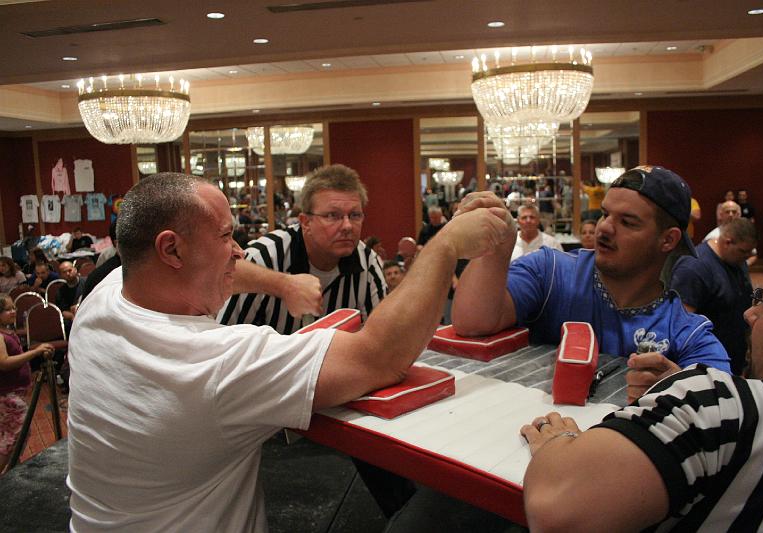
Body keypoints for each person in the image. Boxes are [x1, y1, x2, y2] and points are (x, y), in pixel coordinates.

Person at [66, 172, 513, 531]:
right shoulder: (218, 363)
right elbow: (378, 357)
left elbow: (208, 271)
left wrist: (281, 285)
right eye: (225, 236)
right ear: (171, 249)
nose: (237, 250)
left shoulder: (103, 299)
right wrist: (445, 246)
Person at [519, 252, 763, 531]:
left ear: (667, 241)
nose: (750, 313)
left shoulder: (715, 397)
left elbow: (557, 510)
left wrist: (561, 442)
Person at [453, 165, 731, 404]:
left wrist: (681, 388)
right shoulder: (551, 271)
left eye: (627, 222)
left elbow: (728, 405)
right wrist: (496, 247)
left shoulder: (686, 332)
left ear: (668, 240)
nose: (604, 228)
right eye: (605, 214)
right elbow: (472, 322)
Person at [218, 164, 387, 334]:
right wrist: (283, 285)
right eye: (332, 216)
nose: (347, 226)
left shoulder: (367, 262)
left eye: (355, 215)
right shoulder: (267, 255)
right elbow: (221, 339)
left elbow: (382, 337)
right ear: (305, 222)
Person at [670, 218, 757, 375]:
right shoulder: (693, 268)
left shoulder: (737, 260)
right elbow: (680, 324)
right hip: (706, 366)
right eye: (744, 252)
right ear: (727, 242)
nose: (747, 257)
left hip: (732, 359)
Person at [0, 294, 54, 473]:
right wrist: (35, 353)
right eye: (7, 310)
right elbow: (4, 362)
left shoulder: (8, 331)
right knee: (16, 435)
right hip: (7, 395)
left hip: (14, 392)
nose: (13, 312)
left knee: (13, 434)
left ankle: (11, 469)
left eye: (13, 308)